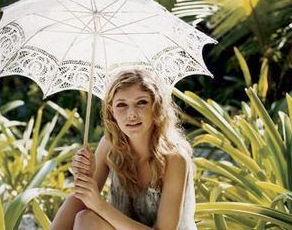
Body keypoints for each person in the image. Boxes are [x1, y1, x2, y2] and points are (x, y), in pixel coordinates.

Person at [50, 69, 197, 230]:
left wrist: (99, 205)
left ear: (156, 107)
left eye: (141, 102)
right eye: (121, 105)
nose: (132, 114)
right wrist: (85, 176)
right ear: (111, 111)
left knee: (88, 218)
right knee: (80, 208)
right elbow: (81, 201)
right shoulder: (109, 145)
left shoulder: (175, 158)